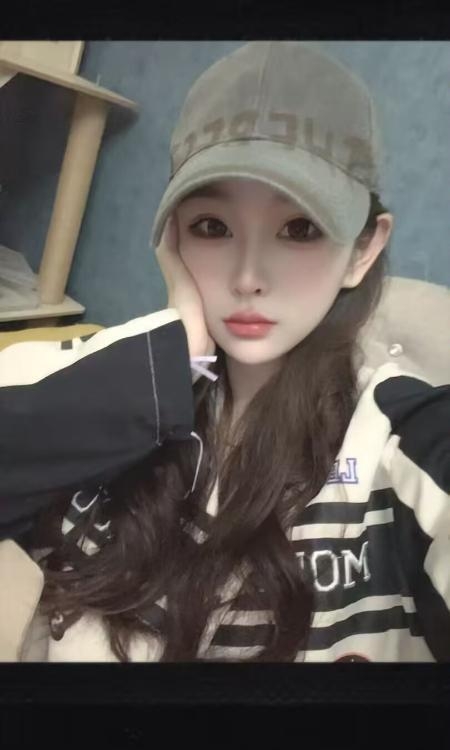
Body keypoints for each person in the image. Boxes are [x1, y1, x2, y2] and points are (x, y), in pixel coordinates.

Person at [4, 41, 450, 662]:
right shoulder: (126, 375)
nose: (247, 278)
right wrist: (175, 361)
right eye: (212, 226)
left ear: (362, 250)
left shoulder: (401, 438)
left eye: (300, 228)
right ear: (173, 237)